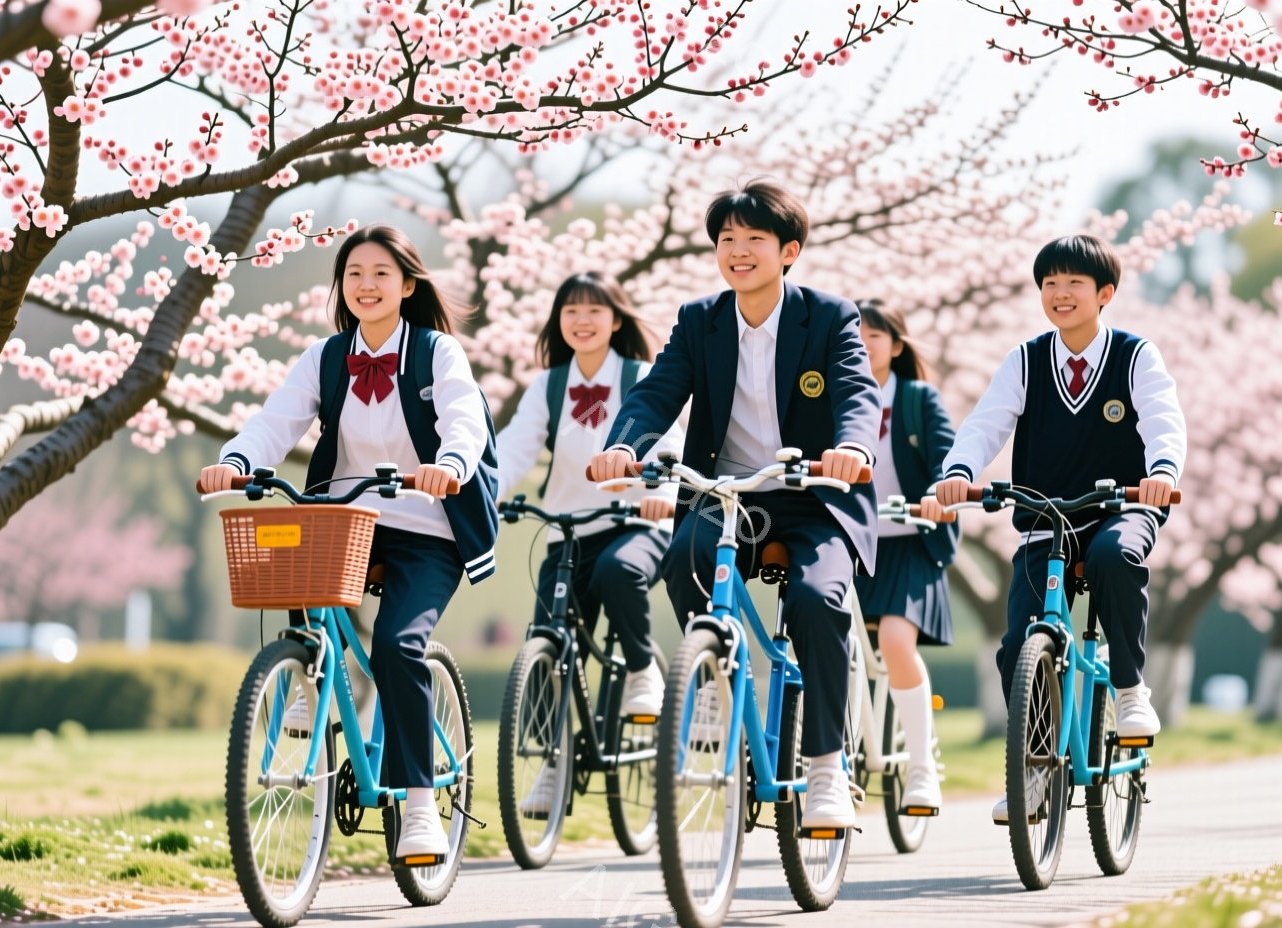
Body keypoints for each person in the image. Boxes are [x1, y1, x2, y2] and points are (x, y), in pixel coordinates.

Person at [197, 225, 500, 864]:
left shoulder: (437, 352)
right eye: (354, 274)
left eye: (381, 274)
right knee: (294, 574)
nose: (366, 285)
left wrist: (449, 463)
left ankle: (420, 806)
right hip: (350, 521)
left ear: (408, 285)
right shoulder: (327, 356)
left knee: (398, 644)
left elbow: (464, 417)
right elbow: (277, 419)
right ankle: (305, 688)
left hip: (428, 523)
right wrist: (237, 460)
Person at [588, 180, 881, 830]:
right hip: (729, 497)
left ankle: (827, 770)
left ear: (789, 251)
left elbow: (857, 393)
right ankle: (719, 685)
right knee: (684, 559)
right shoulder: (701, 320)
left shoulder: (829, 317)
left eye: (755, 239)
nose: (738, 251)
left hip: (815, 497)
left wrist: (852, 447)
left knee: (816, 601)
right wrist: (622, 446)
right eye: (727, 240)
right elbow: (657, 394)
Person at [926, 233, 1186, 825]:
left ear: (1105, 294)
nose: (1060, 294)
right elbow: (985, 423)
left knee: (1116, 558)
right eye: (1050, 284)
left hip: (1124, 505)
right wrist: (959, 471)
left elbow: (1163, 420)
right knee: (1021, 642)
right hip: (1047, 515)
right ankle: (1036, 771)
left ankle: (1129, 690)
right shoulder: (1026, 360)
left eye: (1074, 283)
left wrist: (1162, 471)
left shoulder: (1135, 355)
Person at [493, 272, 684, 812]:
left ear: (616, 319)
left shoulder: (640, 375)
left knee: (617, 573)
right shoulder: (549, 384)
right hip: (569, 527)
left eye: (594, 310)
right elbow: (514, 448)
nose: (581, 320)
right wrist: (484, 490)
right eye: (570, 310)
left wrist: (662, 490)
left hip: (638, 522)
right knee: (546, 642)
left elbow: (667, 441)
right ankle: (550, 766)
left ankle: (643, 669)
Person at [853, 299, 958, 813]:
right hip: (851, 543)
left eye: (874, 335)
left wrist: (940, 493)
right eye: (854, 334)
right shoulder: (830, 395)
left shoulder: (918, 400)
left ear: (896, 346)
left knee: (895, 640)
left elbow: (946, 457)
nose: (863, 342)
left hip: (910, 542)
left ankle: (921, 768)